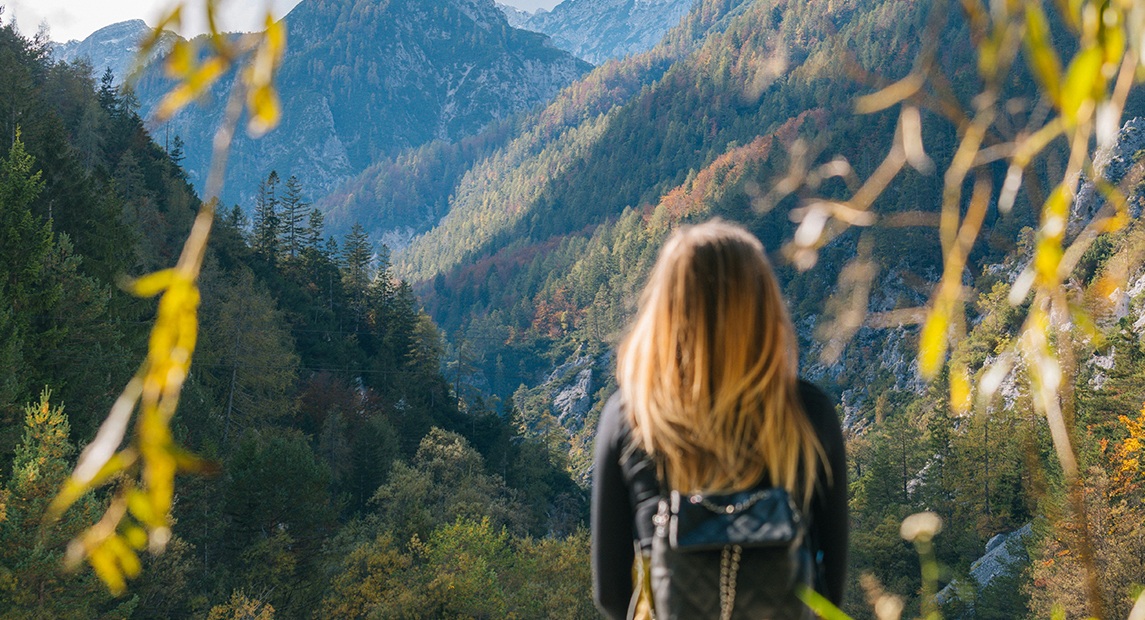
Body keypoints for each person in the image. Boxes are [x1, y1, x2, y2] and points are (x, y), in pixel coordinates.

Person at [591, 219, 847, 619]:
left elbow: (610, 591)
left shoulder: (631, 418)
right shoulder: (808, 412)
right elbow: (829, 587)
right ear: (763, 306)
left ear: (667, 308)